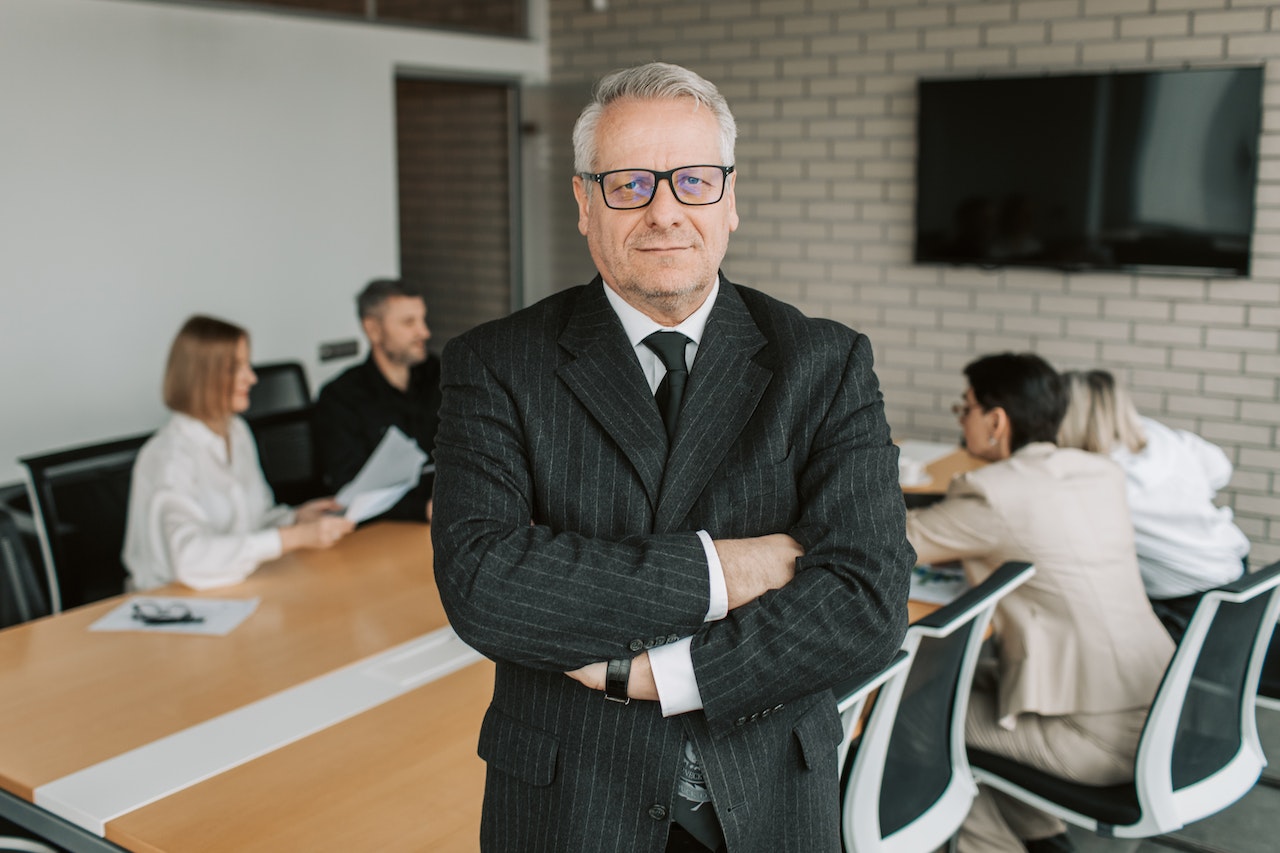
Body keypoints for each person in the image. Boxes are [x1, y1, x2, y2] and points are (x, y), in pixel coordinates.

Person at [431, 62, 914, 853]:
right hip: (569, 805)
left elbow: (867, 602)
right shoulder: (494, 362)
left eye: (692, 181)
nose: (664, 212)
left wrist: (664, 675)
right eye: (629, 184)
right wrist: (729, 571)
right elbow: (485, 585)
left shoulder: (825, 362)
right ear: (585, 204)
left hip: (768, 801)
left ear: (730, 199)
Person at [905, 353, 1174, 853]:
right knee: (945, 686)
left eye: (964, 409)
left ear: (996, 419)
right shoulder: (1099, 471)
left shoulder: (992, 493)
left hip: (1095, 737)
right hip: (1163, 707)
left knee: (909, 715)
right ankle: (1042, 840)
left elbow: (891, 545)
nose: (961, 420)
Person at [123, 315, 354, 591]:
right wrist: (292, 538)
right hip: (172, 600)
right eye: (236, 368)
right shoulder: (169, 457)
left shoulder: (237, 431)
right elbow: (191, 560)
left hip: (237, 588)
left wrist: (295, 519)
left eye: (248, 365)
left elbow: (250, 524)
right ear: (201, 377)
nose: (252, 378)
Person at [1057, 369, 1251, 640]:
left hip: (1187, 597)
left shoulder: (1104, 479)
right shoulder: (1155, 433)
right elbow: (1219, 469)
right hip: (1233, 563)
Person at [313, 279, 441, 522]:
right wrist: (423, 509)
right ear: (373, 329)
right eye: (408, 323)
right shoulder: (340, 397)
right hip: (383, 530)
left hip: (446, 522)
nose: (424, 332)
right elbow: (349, 489)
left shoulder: (439, 374)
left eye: (422, 320)